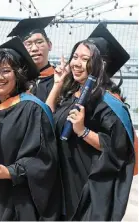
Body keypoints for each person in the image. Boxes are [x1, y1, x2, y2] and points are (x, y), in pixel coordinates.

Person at [0, 37, 62, 220]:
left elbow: (43, 159)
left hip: (16, 200)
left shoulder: (32, 109)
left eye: (6, 71)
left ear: (18, 74)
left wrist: (11, 171)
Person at [46, 23, 135, 221]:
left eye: (84, 59)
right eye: (75, 57)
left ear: (99, 65)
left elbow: (118, 148)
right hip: (62, 180)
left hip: (87, 184)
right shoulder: (70, 94)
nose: (76, 63)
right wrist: (58, 84)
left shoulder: (108, 103)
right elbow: (45, 120)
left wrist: (83, 131)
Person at [7, 16, 56, 102]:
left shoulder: (61, 79)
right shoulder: (16, 81)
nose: (34, 48)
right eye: (28, 44)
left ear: (49, 45)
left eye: (39, 42)